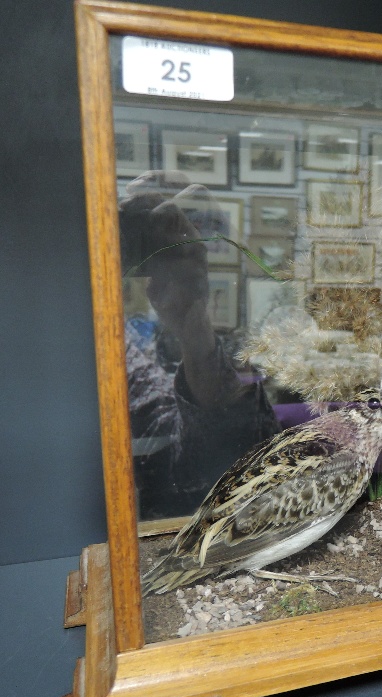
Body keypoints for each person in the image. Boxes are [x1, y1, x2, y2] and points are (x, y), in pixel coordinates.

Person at [119, 172, 280, 519]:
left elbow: (243, 461)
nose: (151, 241)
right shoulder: (113, 339)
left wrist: (193, 320)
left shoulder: (235, 338)